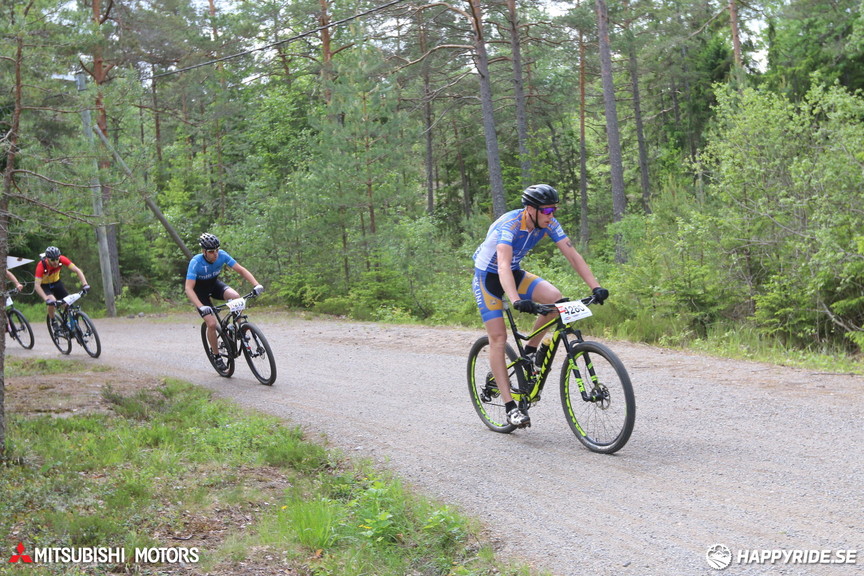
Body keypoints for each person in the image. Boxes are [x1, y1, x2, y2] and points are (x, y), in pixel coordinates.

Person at [472, 184, 609, 427]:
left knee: (556, 299)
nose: (551, 215)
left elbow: (573, 255)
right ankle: (510, 407)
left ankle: (530, 351)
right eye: (546, 210)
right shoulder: (510, 224)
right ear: (530, 209)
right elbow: (502, 265)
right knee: (498, 338)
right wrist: (516, 300)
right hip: (488, 278)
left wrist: (595, 286)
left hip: (513, 272)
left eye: (553, 209)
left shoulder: (549, 224)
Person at [185, 233, 264, 371]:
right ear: (204, 251)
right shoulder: (196, 262)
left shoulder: (222, 255)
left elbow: (240, 269)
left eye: (217, 250)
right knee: (211, 323)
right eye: (211, 251)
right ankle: (216, 355)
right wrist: (201, 307)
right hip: (200, 293)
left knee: (236, 296)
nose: (215, 254)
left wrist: (256, 284)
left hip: (214, 285)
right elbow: (188, 288)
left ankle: (240, 328)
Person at [34, 246, 90, 330]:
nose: (55, 262)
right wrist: (46, 299)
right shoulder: (41, 265)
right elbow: (37, 286)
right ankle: (53, 321)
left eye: (57, 259)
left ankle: (73, 328)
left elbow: (77, 270)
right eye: (52, 260)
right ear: (47, 259)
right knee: (52, 301)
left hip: (56, 283)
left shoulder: (62, 259)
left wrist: (85, 284)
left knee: (67, 304)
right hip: (45, 286)